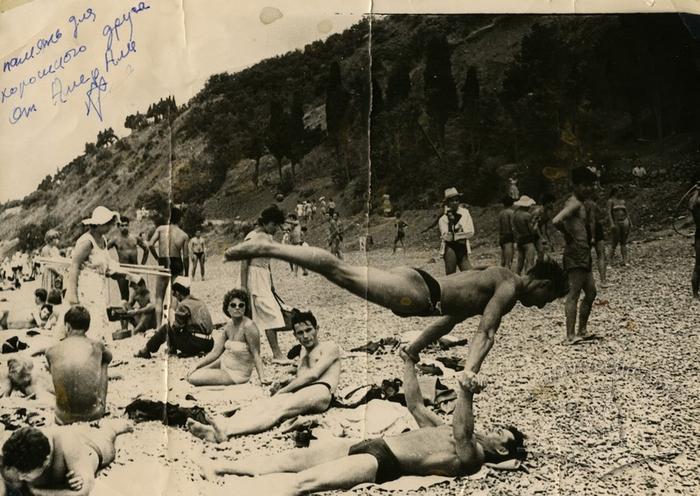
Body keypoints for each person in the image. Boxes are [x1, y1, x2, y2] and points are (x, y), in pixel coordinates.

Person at [224, 239, 568, 382]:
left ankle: (271, 247)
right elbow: (486, 332)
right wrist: (469, 372)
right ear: (544, 284)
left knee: (343, 275)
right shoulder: (508, 287)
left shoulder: (498, 277)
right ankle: (269, 248)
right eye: (547, 299)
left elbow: (452, 318)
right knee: (340, 273)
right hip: (418, 292)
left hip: (422, 288)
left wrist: (414, 349)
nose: (541, 306)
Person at [196, 350, 526, 494]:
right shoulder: (449, 434)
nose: (494, 430)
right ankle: (224, 468)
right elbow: (414, 404)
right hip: (373, 445)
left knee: (306, 483)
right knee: (293, 460)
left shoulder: (473, 457)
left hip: (382, 463)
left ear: (501, 451)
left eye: (501, 434)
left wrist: (466, 392)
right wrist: (408, 363)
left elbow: (462, 429)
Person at [186, 310, 341, 442]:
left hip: (321, 391)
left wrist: (284, 390)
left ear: (317, 328)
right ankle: (219, 426)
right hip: (303, 392)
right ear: (295, 335)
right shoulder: (302, 352)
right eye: (300, 333)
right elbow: (301, 376)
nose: (306, 336)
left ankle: (228, 431)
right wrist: (283, 382)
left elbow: (313, 375)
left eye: (309, 330)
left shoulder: (329, 347)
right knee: (262, 405)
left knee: (280, 408)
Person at [0, 420, 132, 496]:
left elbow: (85, 490)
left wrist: (40, 492)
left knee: (105, 440)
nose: (21, 478)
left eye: (26, 475)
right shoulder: (10, 451)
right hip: (56, 468)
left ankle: (112, 426)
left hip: (89, 449)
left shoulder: (66, 443)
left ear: (46, 461)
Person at [65, 206, 131, 341]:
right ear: (98, 224)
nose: (110, 227)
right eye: (107, 224)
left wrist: (121, 272)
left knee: (99, 314)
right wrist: (72, 293)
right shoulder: (86, 242)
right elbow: (74, 266)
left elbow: (106, 262)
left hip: (98, 284)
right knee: (90, 316)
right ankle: (87, 346)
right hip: (86, 283)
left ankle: (97, 346)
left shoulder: (103, 239)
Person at [553, 167, 598, 345]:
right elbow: (556, 220)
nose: (588, 189)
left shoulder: (580, 203)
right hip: (576, 252)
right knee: (574, 294)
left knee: (591, 292)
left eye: (590, 185)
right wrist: (567, 234)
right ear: (576, 186)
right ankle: (570, 335)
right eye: (584, 185)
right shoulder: (574, 203)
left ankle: (582, 330)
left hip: (583, 251)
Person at [240, 205, 290, 363]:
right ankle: (276, 354)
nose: (276, 229)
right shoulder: (252, 237)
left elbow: (267, 263)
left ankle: (259, 353)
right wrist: (243, 286)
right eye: (274, 225)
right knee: (267, 314)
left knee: (261, 315)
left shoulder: (268, 238)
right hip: (252, 277)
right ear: (267, 223)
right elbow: (244, 262)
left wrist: (272, 283)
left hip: (264, 278)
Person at [44, 306, 111, 425]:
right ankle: (101, 404)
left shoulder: (51, 350)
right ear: (87, 327)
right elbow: (109, 357)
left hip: (62, 417)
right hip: (93, 414)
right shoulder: (96, 346)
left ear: (67, 326)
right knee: (104, 361)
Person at [187, 288, 267, 386]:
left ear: (245, 308)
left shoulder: (249, 327)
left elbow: (256, 355)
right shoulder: (229, 325)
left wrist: (262, 378)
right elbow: (216, 352)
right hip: (223, 363)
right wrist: (196, 365)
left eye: (241, 305)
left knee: (193, 378)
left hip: (236, 373)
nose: (237, 308)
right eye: (233, 305)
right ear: (227, 308)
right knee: (192, 372)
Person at [134, 276, 214, 358]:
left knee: (166, 328)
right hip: (209, 343)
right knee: (183, 331)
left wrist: (171, 317)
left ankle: (146, 350)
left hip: (196, 343)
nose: (175, 297)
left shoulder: (183, 305)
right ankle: (173, 349)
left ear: (178, 293)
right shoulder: (200, 302)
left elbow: (176, 328)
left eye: (175, 294)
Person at [148, 207, 190, 328]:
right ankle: (172, 324)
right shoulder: (184, 235)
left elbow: (150, 244)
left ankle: (158, 326)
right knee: (175, 296)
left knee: (159, 297)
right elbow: (186, 258)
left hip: (163, 261)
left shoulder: (161, 229)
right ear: (180, 219)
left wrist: (157, 257)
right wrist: (186, 275)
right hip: (177, 262)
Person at [106, 216, 149, 304]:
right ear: (118, 227)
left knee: (140, 292)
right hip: (122, 269)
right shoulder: (115, 240)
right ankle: (125, 314)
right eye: (122, 225)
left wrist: (142, 265)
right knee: (124, 294)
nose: (124, 227)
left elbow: (146, 249)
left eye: (126, 225)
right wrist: (110, 265)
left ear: (128, 225)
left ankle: (138, 311)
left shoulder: (135, 238)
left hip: (135, 269)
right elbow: (103, 251)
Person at [439, 188, 475, 274]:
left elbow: (470, 232)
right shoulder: (443, 219)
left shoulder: (465, 213)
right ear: (447, 203)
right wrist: (453, 227)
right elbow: (447, 237)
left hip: (462, 246)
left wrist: (456, 234)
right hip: (450, 247)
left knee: (469, 273)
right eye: (452, 201)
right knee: (451, 275)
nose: (455, 203)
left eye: (456, 200)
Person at [585, 198, 608, 288]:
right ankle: (603, 281)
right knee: (601, 255)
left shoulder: (580, 204)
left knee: (586, 256)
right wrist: (593, 236)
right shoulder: (592, 204)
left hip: (585, 229)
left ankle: (588, 283)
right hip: (595, 229)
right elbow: (593, 220)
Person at [512, 196, 538, 275]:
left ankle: (517, 277)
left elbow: (513, 228)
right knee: (530, 261)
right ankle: (528, 278)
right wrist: (536, 223)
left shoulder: (515, 214)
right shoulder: (527, 215)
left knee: (520, 262)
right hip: (528, 240)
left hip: (520, 239)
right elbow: (532, 230)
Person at [607, 186, 632, 267]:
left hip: (624, 221)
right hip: (616, 221)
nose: (621, 192)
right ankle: (610, 262)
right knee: (614, 242)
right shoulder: (610, 201)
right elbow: (609, 213)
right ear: (615, 192)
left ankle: (625, 260)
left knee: (624, 242)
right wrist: (611, 223)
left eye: (621, 191)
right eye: (619, 191)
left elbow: (627, 212)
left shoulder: (622, 201)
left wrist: (630, 221)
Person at [498, 197, 516, 269]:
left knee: (503, 253)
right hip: (509, 234)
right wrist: (515, 236)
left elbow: (499, 226)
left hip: (502, 234)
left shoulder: (501, 213)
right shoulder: (511, 212)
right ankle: (507, 266)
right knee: (509, 252)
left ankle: (503, 265)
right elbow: (512, 225)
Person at [689, 180, 700, 299]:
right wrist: (697, 191)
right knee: (698, 265)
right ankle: (695, 293)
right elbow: (691, 206)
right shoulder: (695, 201)